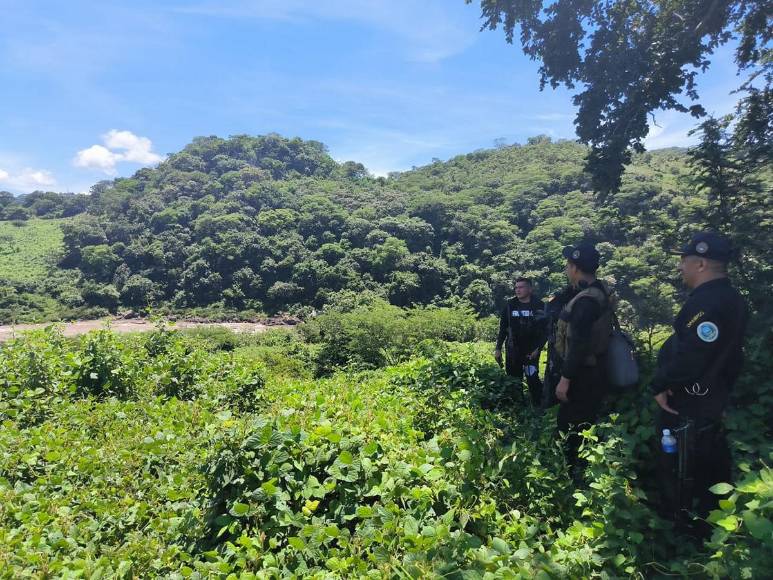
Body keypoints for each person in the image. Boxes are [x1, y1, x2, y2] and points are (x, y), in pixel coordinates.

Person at [651, 232, 748, 532]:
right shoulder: (731, 299)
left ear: (701, 263)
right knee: (708, 458)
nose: (681, 267)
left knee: (688, 464)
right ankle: (709, 522)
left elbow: (691, 359)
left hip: (691, 400)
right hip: (713, 395)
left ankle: (687, 527)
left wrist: (659, 383)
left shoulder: (707, 304)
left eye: (684, 261)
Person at [553, 243, 614, 474]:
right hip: (593, 370)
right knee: (583, 423)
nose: (567, 270)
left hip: (583, 374)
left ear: (575, 268)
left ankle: (571, 474)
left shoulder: (586, 301)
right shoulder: (597, 290)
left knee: (570, 426)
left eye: (569, 266)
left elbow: (578, 343)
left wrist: (565, 378)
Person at [494, 277, 547, 406]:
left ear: (530, 289)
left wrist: (538, 348)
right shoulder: (510, 305)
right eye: (516, 287)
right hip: (513, 351)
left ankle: (538, 407)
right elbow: (503, 329)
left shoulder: (539, 305)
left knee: (533, 379)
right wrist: (498, 348)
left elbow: (545, 330)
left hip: (531, 351)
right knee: (513, 380)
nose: (518, 290)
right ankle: (517, 408)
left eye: (521, 287)